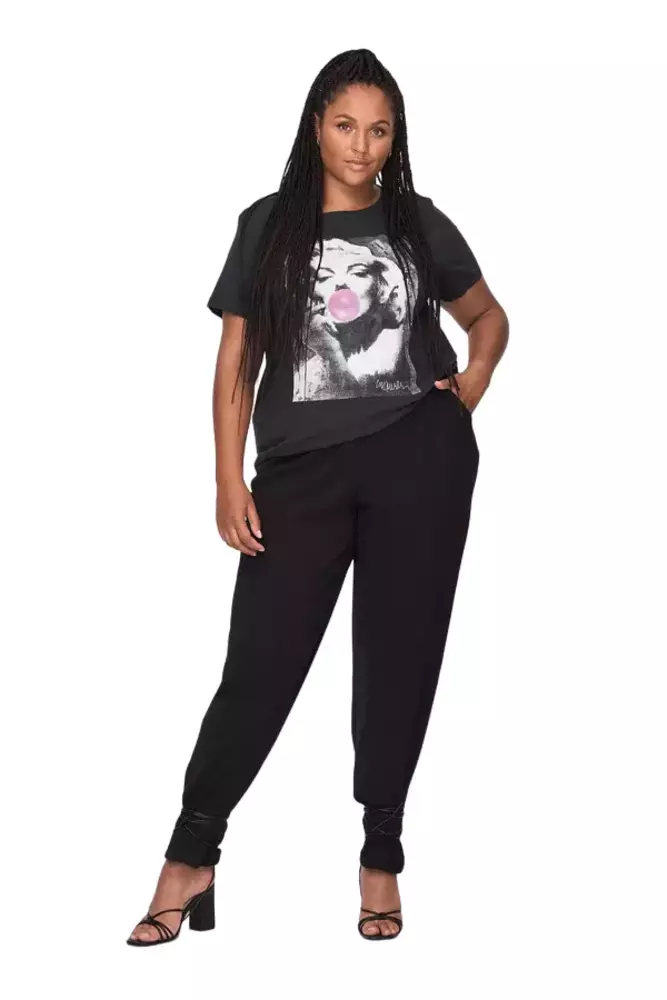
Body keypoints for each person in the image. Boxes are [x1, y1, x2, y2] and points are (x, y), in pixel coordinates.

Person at [127, 47, 509, 946]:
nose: (361, 146)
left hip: (419, 456)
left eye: (379, 131)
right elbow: (237, 358)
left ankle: (381, 856)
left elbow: (487, 316)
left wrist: (474, 379)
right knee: (259, 666)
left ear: (394, 139)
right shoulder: (267, 225)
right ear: (315, 126)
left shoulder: (417, 224)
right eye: (345, 126)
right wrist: (228, 477)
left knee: (399, 657)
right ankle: (191, 854)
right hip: (298, 476)